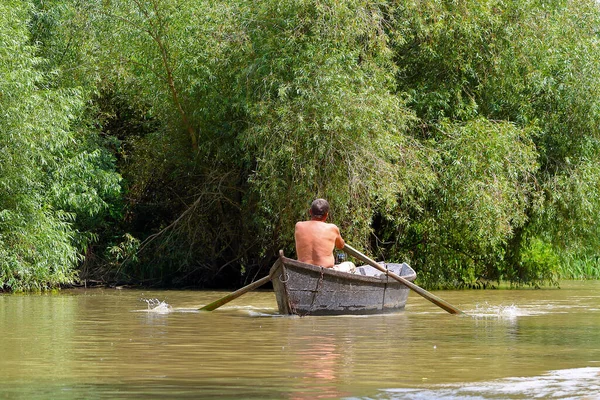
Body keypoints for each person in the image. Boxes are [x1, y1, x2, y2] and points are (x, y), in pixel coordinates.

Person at [294, 199, 356, 272]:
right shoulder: (333, 228)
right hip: (325, 272)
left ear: (310, 212)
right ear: (326, 215)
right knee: (351, 265)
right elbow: (340, 246)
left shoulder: (298, 226)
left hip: (302, 270)